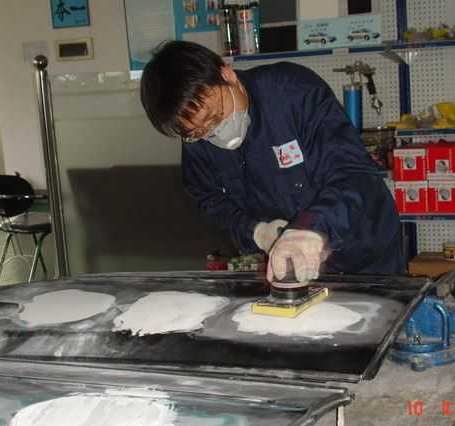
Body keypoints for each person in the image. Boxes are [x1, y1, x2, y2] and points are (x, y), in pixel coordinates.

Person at [140, 41, 401, 282]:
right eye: (199, 131)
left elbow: (351, 171)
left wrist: (313, 229)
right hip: (291, 262)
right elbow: (208, 198)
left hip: (365, 247)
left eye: (216, 115)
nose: (214, 132)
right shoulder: (196, 137)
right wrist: (255, 231)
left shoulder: (292, 92)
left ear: (227, 74)